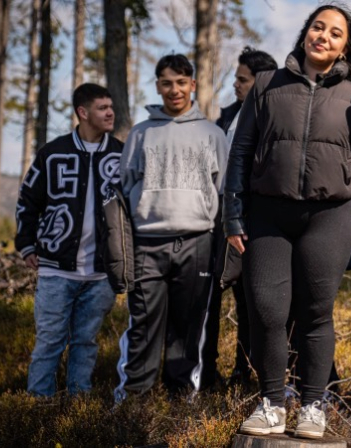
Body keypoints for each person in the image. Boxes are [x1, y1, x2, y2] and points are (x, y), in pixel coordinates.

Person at [223, 4, 351, 438]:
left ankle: (312, 405)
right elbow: (241, 153)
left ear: (344, 47)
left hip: (328, 218)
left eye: (335, 33)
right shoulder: (267, 84)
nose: (323, 36)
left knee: (315, 314)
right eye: (318, 27)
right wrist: (232, 216)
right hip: (268, 215)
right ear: (306, 33)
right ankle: (271, 404)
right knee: (267, 311)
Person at [114, 54, 228, 402]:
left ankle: (182, 396)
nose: (174, 90)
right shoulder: (141, 134)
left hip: (196, 241)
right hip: (147, 243)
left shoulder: (212, 134)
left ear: (192, 84)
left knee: (189, 324)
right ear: (157, 86)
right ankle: (134, 397)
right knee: (143, 323)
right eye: (166, 83)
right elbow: (125, 185)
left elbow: (223, 189)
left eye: (181, 83)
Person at [16, 83, 124, 397]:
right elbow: (27, 201)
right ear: (83, 112)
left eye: (111, 107)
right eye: (102, 108)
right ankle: (39, 406)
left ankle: (79, 406)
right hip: (56, 268)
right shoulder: (53, 153)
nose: (110, 113)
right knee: (49, 341)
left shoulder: (120, 154)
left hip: (101, 271)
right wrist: (26, 244)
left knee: (85, 342)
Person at [200, 46, 278, 389]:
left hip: (259, 224)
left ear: (261, 81)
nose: (235, 84)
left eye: (242, 79)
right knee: (211, 298)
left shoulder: (275, 116)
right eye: (236, 78)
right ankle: (206, 373)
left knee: (251, 303)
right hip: (221, 221)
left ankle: (245, 374)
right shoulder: (226, 117)